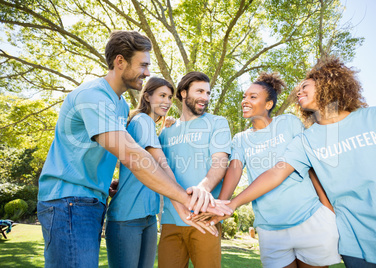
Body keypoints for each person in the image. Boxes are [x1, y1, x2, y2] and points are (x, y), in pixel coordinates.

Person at [36, 31, 216, 268]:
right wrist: (183, 200)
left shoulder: (120, 105)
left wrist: (111, 182)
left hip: (92, 200)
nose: (148, 72)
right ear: (120, 62)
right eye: (143, 64)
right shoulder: (93, 96)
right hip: (68, 199)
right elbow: (133, 156)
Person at [208, 57, 376, 268]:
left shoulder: (375, 117)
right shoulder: (307, 138)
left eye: (304, 87)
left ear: (328, 83)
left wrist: (324, 208)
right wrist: (228, 204)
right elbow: (276, 172)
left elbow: (311, 173)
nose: (298, 93)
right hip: (354, 241)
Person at [196, 72, 340, 268]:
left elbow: (310, 167)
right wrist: (221, 205)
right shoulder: (240, 138)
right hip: (270, 229)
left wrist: (327, 207)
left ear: (269, 104)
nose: (245, 101)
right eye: (244, 96)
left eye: (253, 97)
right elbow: (234, 170)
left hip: (310, 219)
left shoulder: (288, 122)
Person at [105, 77, 221, 268]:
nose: (167, 102)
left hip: (148, 218)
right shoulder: (142, 121)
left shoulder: (156, 129)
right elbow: (163, 166)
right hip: (127, 216)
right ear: (148, 97)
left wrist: (173, 126)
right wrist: (182, 205)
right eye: (161, 96)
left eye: (169, 97)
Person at [157, 71, 232, 268]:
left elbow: (220, 162)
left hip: (205, 218)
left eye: (208, 93)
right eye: (200, 91)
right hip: (171, 219)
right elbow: (162, 174)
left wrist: (203, 189)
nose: (205, 98)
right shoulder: (166, 132)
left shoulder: (217, 122)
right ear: (183, 93)